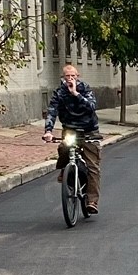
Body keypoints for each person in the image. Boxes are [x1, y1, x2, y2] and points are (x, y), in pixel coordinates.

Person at [42, 63, 102, 217]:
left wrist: (75, 93)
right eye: (67, 76)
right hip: (70, 130)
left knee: (93, 167)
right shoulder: (59, 92)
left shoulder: (85, 89)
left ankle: (92, 201)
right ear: (63, 77)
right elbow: (52, 111)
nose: (70, 79)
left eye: (73, 76)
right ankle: (65, 169)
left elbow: (91, 107)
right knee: (63, 148)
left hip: (89, 131)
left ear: (77, 77)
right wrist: (48, 131)